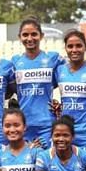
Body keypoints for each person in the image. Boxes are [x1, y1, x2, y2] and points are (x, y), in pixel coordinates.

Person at [11, 17, 64, 148]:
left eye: (34, 34)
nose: (30, 38)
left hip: (47, 124)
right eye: (25, 35)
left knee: (46, 163)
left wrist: (62, 104)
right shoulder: (15, 61)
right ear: (19, 37)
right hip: (23, 125)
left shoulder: (53, 58)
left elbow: (68, 78)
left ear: (41, 36)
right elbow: (8, 88)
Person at [53, 29, 86, 151]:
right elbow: (46, 89)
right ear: (66, 49)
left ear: (85, 47)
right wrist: (55, 105)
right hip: (64, 132)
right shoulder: (59, 71)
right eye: (70, 46)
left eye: (78, 46)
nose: (74, 50)